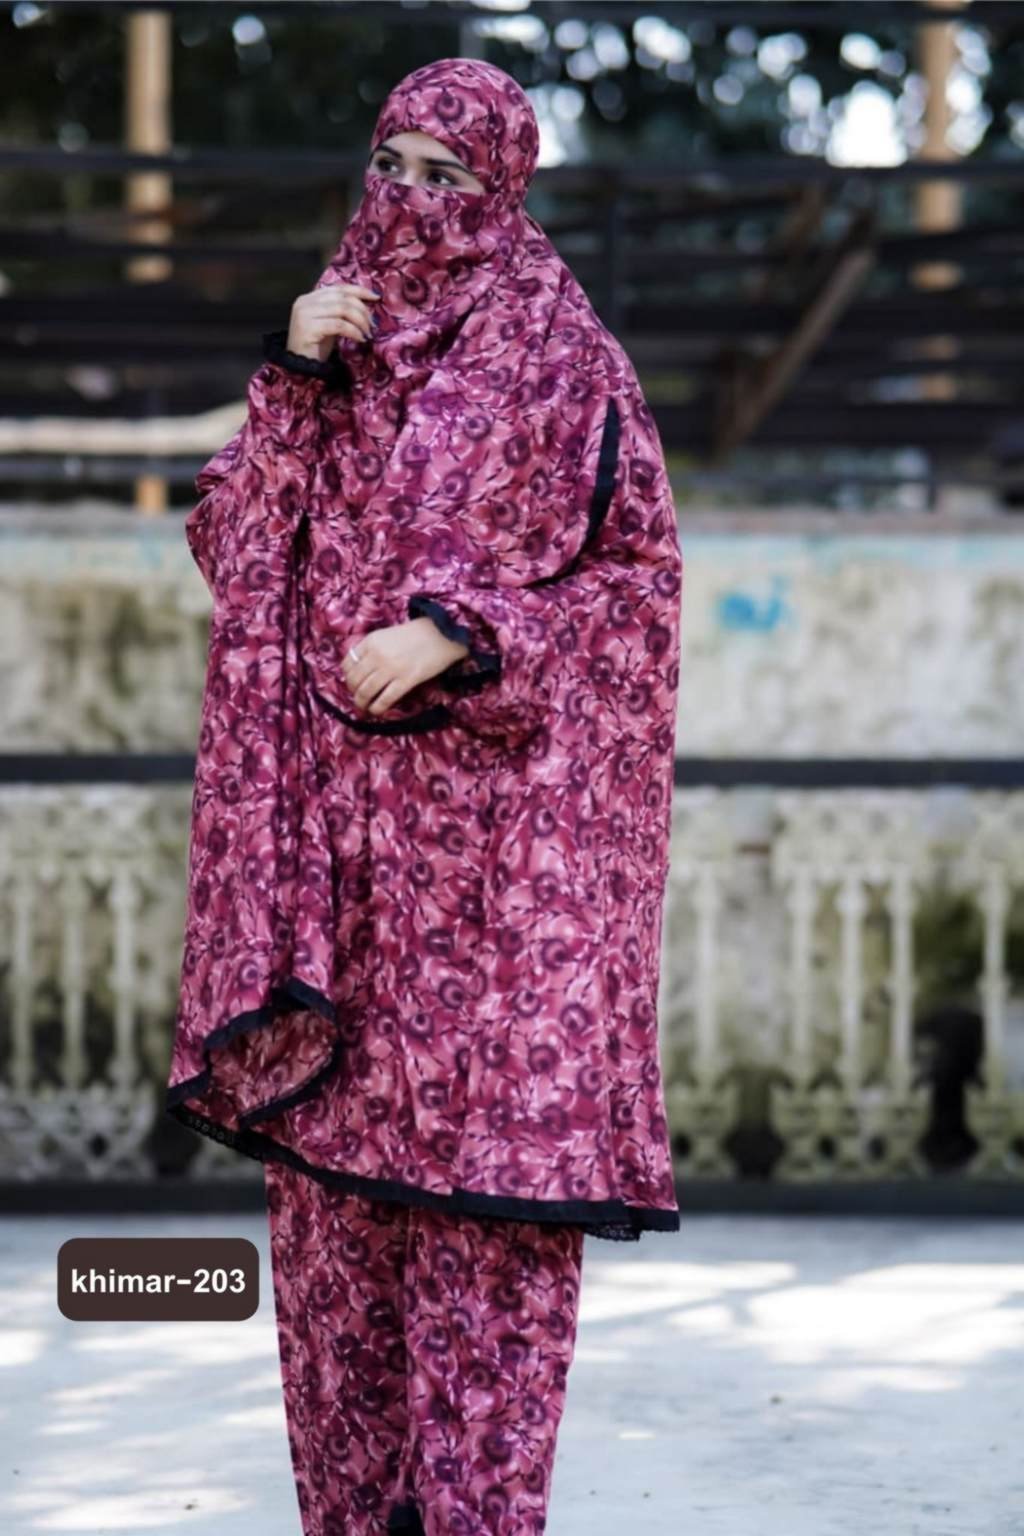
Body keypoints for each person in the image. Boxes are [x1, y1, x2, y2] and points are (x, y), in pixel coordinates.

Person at [165, 56, 683, 1536]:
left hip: (499, 910)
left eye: (449, 176)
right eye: (390, 163)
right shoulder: (334, 344)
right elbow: (236, 558)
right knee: (335, 1282)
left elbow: (638, 593)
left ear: (504, 189)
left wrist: (463, 632)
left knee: (486, 1276)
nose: (410, 199)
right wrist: (288, 380)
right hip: (335, 904)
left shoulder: (565, 362)